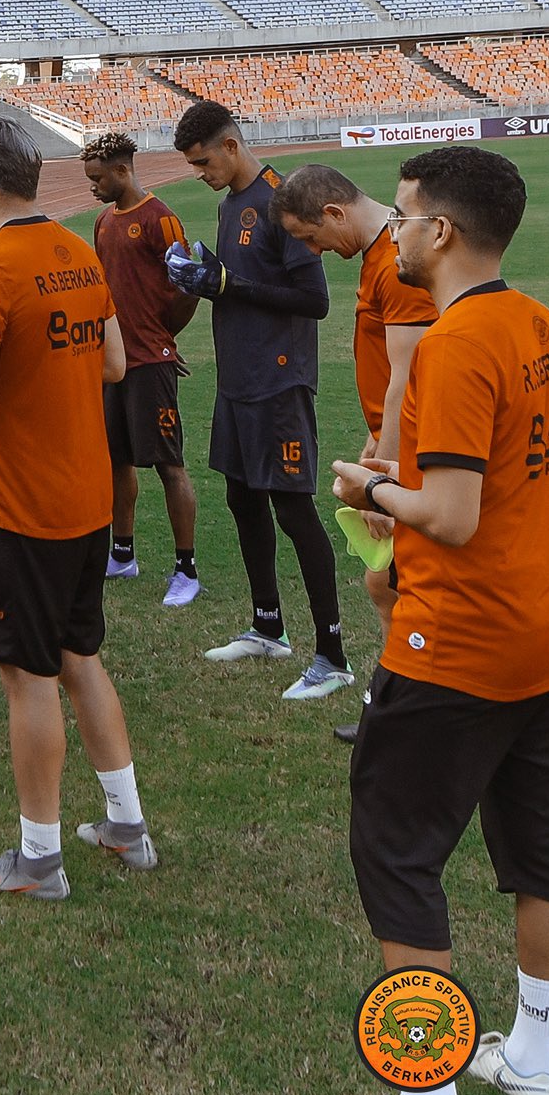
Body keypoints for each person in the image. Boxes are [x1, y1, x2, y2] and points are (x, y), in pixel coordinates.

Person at [308, 146, 549, 1095]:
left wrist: (371, 494)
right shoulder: (547, 329)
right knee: (535, 849)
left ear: (443, 234)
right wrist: (409, 511)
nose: (397, 229)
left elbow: (457, 516)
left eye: (408, 214)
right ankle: (530, 1060)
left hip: (462, 650)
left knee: (397, 858)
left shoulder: (456, 342)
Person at [0, 115, 156, 900]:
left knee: (28, 676)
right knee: (81, 656)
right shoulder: (76, 248)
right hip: (86, 494)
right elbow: (115, 363)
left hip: (22, 502)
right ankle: (126, 824)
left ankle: (39, 859)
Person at [167, 103, 350, 703]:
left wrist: (229, 285)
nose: (199, 172)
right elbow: (236, 283)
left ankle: (333, 655)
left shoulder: (281, 201)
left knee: (294, 510)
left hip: (279, 382)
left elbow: (314, 299)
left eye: (202, 161)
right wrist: (205, 275)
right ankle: (268, 626)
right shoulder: (228, 205)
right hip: (238, 381)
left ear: (230, 144)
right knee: (243, 498)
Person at [272, 163, 437, 745]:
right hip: (400, 441)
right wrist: (376, 441)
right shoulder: (380, 256)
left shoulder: (397, 265)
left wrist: (379, 485)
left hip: (422, 449)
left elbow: (407, 376)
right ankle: (398, 709)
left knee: (393, 584)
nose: (310, 250)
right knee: (390, 583)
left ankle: (403, 712)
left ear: (335, 213)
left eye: (309, 236)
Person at [80, 132, 202, 608]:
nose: (92, 187)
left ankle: (186, 569)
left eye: (97, 179)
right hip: (112, 364)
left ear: (122, 172)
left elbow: (187, 288)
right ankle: (123, 553)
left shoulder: (161, 219)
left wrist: (162, 340)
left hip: (151, 363)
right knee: (116, 461)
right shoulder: (103, 220)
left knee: (169, 466)